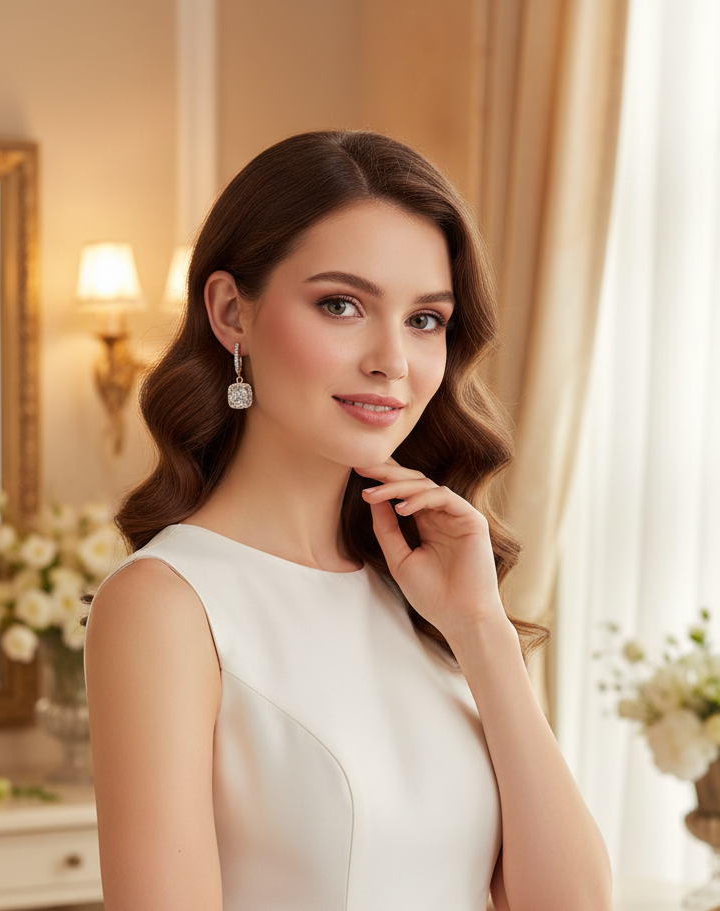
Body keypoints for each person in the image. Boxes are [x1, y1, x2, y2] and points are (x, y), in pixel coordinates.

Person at [84, 129, 611, 911]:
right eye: (341, 304)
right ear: (232, 312)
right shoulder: (166, 603)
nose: (391, 360)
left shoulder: (426, 595)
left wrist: (480, 628)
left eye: (424, 319)